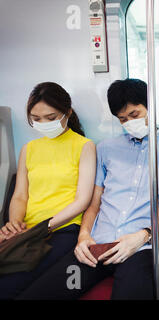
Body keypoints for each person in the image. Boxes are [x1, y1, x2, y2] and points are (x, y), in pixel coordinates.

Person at [18, 79, 159, 300]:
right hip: (97, 246)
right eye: (122, 119)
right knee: (43, 294)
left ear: (151, 107)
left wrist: (143, 236)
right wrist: (83, 237)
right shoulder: (106, 149)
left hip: (140, 249)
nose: (129, 122)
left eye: (134, 115)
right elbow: (94, 205)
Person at [0, 82, 96, 299]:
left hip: (63, 229)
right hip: (28, 229)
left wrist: (43, 228)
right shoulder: (29, 149)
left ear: (67, 113)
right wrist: (15, 224)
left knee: (12, 286)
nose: (43, 123)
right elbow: (20, 195)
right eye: (36, 119)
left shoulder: (84, 146)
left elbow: (82, 200)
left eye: (51, 118)